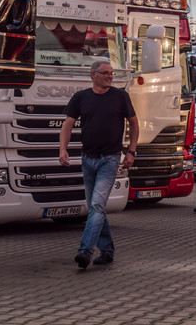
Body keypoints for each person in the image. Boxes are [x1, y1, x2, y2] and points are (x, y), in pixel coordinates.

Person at [59, 60, 138, 270]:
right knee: (97, 208)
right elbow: (67, 124)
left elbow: (134, 123)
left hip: (110, 159)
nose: (110, 77)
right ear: (93, 74)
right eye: (106, 73)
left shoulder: (120, 96)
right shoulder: (81, 97)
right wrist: (63, 149)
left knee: (96, 205)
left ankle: (86, 250)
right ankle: (108, 251)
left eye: (112, 73)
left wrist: (131, 151)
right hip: (87, 159)